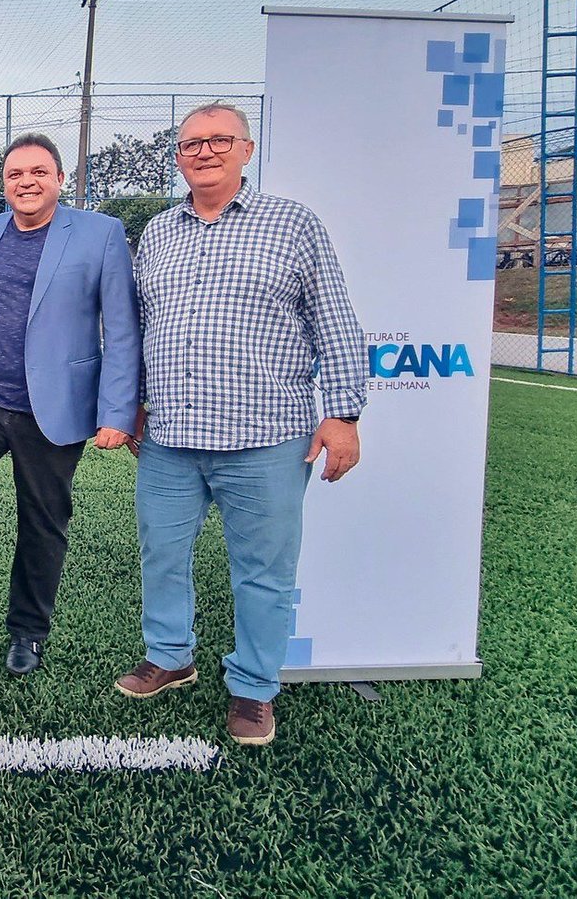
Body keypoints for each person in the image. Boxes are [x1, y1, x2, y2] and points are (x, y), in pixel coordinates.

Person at [115, 102, 365, 747]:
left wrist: (342, 415)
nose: (204, 151)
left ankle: (253, 688)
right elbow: (142, 331)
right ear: (178, 155)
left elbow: (333, 321)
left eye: (219, 140)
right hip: (170, 438)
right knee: (163, 555)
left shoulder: (293, 225)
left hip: (267, 438)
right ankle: (170, 657)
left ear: (246, 151)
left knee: (262, 571)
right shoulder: (158, 233)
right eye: (191, 143)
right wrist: (135, 405)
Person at [0, 132, 141, 678]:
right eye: (16, 174)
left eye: (39, 172)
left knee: (43, 517)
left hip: (56, 401)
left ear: (60, 179)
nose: (27, 182)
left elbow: (124, 326)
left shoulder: (102, 234)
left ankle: (28, 632)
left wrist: (117, 411)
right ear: (4, 183)